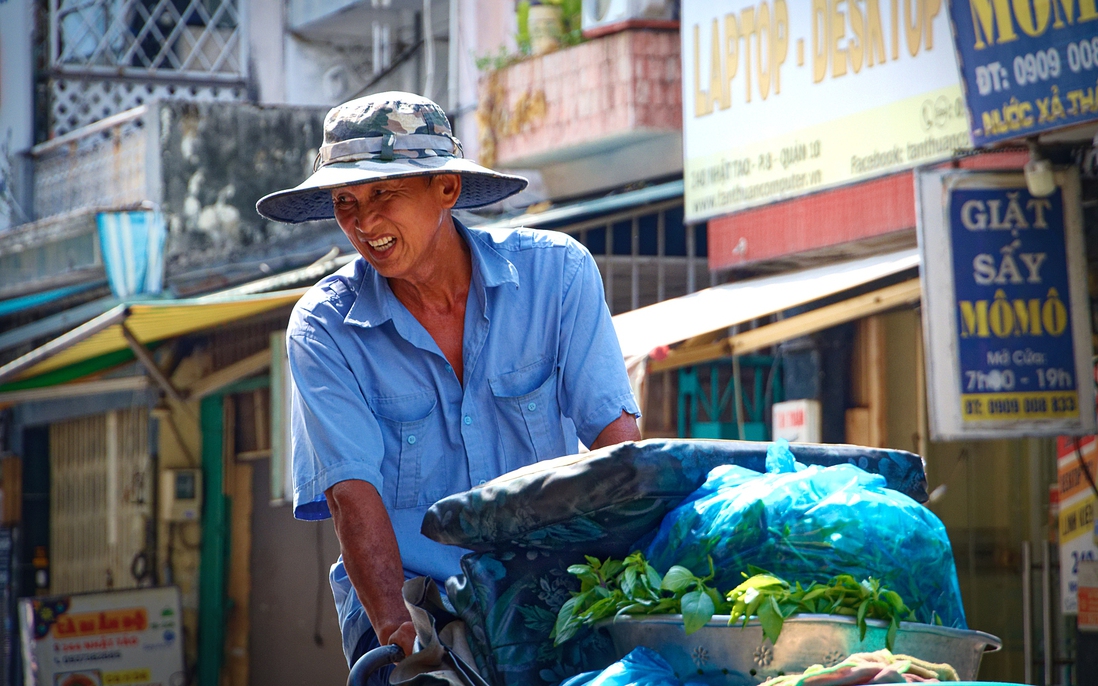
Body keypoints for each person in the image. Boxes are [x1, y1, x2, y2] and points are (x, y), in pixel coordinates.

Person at [256, 92, 641, 680]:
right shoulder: (324, 326)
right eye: (345, 202)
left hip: (550, 583)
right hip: (413, 596)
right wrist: (393, 628)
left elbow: (617, 448)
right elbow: (350, 495)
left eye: (384, 192)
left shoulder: (558, 274)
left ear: (446, 190)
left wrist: (637, 578)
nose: (364, 223)